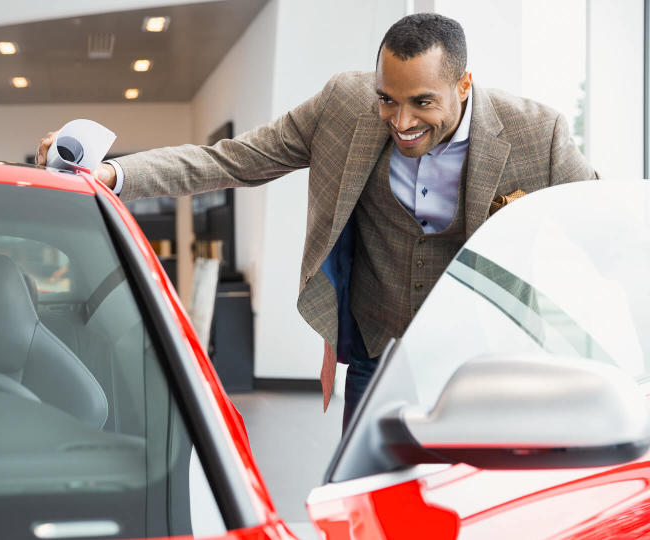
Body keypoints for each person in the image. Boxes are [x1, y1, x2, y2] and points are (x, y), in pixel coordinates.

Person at [35, 13, 596, 428]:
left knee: (479, 504)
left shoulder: (535, 134)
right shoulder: (343, 104)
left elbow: (602, 232)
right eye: (388, 99)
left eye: (422, 103)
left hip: (483, 359)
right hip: (378, 348)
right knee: (363, 497)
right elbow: (233, 160)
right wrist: (112, 174)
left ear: (464, 85)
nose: (400, 122)